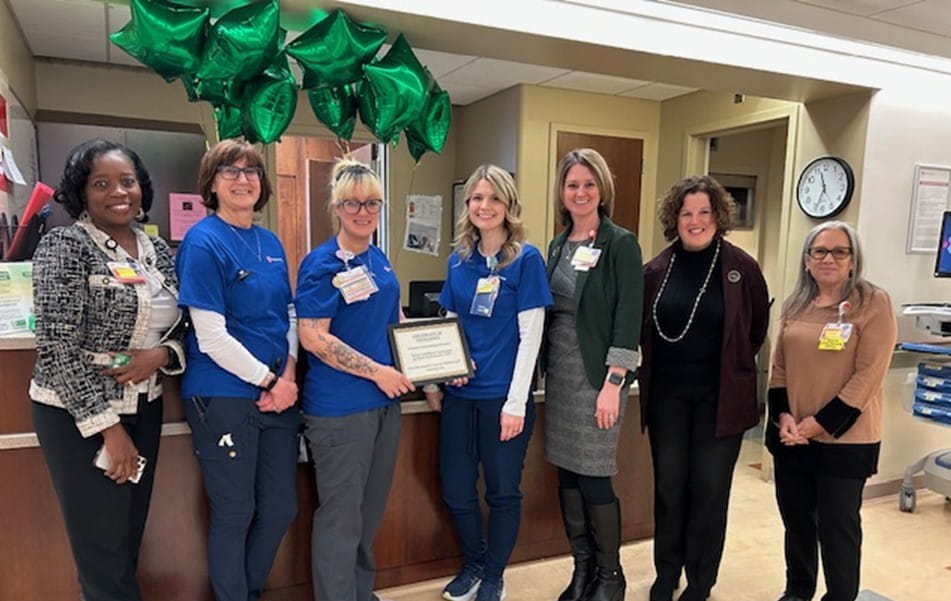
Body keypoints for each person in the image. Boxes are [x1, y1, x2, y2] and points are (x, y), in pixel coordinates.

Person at [30, 138, 185, 601]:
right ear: (82, 192)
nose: (119, 192)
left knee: (125, 539)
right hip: (78, 416)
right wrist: (109, 430)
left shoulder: (158, 251)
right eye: (102, 184)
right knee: (100, 548)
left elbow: (187, 324)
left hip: (147, 404)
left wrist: (163, 355)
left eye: (128, 181)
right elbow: (56, 348)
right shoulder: (66, 245)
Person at [175, 139, 299, 601]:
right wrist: (269, 381)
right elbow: (210, 336)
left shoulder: (269, 242)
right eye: (230, 171)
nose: (243, 179)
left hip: (278, 392)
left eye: (251, 172)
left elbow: (286, 316)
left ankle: (245, 592)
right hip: (224, 394)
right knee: (234, 512)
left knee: (280, 508)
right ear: (211, 183)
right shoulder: (203, 242)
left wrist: (286, 374)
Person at [425, 165, 553, 601]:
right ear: (468, 207)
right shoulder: (458, 260)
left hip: (504, 399)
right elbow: (450, 324)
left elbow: (531, 335)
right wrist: (442, 373)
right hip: (461, 397)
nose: (485, 206)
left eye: (494, 198)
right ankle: (474, 561)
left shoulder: (527, 259)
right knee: (456, 489)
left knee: (501, 491)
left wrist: (517, 402)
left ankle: (494, 574)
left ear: (508, 205)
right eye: (477, 199)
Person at [639, 175, 770, 601]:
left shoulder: (741, 269)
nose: (695, 221)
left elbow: (754, 331)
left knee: (710, 492)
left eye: (704, 213)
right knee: (670, 488)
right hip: (667, 399)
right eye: (686, 213)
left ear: (718, 217)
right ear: (674, 218)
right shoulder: (656, 270)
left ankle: (700, 582)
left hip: (721, 400)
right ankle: (666, 573)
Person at [295, 159, 413, 601]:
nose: (363, 211)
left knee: (367, 515)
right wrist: (378, 372)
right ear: (336, 207)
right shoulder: (321, 263)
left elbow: (392, 318)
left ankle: (361, 593)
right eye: (353, 203)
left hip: (383, 406)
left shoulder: (376, 258)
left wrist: (430, 362)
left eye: (372, 203)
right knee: (340, 520)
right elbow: (312, 336)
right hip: (341, 411)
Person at [767, 221, 896, 601]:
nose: (829, 259)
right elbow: (779, 370)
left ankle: (840, 596)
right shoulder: (796, 304)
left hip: (846, 440)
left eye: (840, 251)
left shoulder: (873, 303)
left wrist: (819, 425)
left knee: (838, 528)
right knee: (797, 523)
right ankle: (798, 591)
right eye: (819, 251)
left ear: (853, 261)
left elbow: (868, 376)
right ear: (807, 260)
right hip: (793, 438)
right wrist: (785, 419)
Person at [543, 148, 644, 601]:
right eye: (571, 185)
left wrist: (614, 382)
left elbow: (628, 315)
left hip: (599, 378)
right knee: (567, 476)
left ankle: (610, 575)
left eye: (588, 183)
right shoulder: (557, 244)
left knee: (594, 477)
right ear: (561, 193)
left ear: (601, 189)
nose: (580, 192)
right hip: (562, 375)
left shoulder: (620, 243)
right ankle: (581, 569)